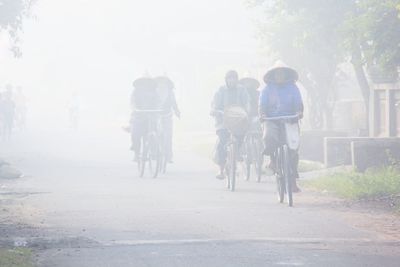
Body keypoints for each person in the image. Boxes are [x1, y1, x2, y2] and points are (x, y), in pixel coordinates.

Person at [259, 62, 304, 192]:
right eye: (277, 73)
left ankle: (293, 181)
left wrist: (299, 112)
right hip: (272, 120)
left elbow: (298, 102)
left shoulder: (293, 88)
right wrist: (262, 114)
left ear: (286, 75)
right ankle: (273, 160)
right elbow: (262, 105)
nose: (279, 76)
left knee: (293, 150)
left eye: (282, 73)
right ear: (273, 75)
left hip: (290, 120)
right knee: (269, 137)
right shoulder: (267, 89)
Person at [211, 70, 250, 180]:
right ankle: (221, 170)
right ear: (226, 80)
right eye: (229, 78)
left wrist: (247, 112)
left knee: (240, 139)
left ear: (237, 80)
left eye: (234, 78)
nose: (231, 80)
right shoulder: (221, 90)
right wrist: (214, 110)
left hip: (238, 122)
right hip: (223, 122)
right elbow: (214, 103)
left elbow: (247, 103)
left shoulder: (242, 90)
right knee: (222, 144)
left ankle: (236, 155)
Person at [130, 77, 160, 161]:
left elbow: (158, 102)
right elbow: (132, 102)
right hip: (138, 116)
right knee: (135, 135)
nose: (146, 84)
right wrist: (135, 108)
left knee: (154, 133)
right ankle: (136, 154)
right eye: (144, 82)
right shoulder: (136, 91)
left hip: (151, 117)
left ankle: (153, 152)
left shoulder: (154, 92)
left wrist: (157, 109)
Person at [155, 76, 180, 163]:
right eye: (160, 82)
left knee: (168, 136)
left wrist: (177, 111)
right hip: (156, 116)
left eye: (164, 82)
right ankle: (154, 152)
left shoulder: (170, 92)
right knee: (154, 134)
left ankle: (169, 156)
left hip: (167, 116)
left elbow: (174, 103)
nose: (162, 84)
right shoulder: (154, 91)